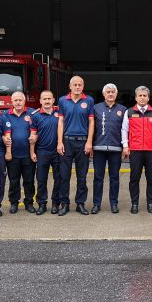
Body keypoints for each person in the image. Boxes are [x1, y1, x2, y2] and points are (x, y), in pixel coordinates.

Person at [57, 75, 95, 216]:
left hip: (83, 142)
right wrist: (59, 142)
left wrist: (89, 141)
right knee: (64, 175)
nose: (77, 87)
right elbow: (60, 122)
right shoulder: (62, 100)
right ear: (70, 86)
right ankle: (64, 204)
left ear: (83, 86)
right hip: (67, 141)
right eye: (75, 84)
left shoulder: (89, 100)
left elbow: (91, 122)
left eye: (80, 85)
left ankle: (80, 203)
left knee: (82, 176)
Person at [122, 85, 152, 214]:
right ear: (136, 97)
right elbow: (124, 130)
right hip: (135, 150)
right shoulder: (129, 112)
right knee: (134, 178)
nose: (142, 98)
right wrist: (125, 146)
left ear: (148, 98)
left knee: (151, 178)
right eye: (140, 95)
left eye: (145, 95)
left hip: (151, 150)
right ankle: (134, 203)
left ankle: (150, 203)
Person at [88, 83, 126, 214]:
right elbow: (91, 127)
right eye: (108, 92)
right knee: (98, 177)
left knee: (114, 177)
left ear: (116, 94)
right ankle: (96, 204)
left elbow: (126, 130)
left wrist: (125, 147)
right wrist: (90, 144)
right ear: (104, 94)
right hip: (98, 148)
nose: (110, 94)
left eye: (113, 92)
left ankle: (114, 203)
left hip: (116, 149)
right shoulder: (95, 108)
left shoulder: (123, 109)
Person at [2, 91, 37, 214]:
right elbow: (1, 132)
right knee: (13, 180)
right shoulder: (5, 115)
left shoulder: (32, 113)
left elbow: (38, 129)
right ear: (11, 102)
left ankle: (29, 203)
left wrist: (36, 137)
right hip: (13, 155)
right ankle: (14, 203)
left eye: (20, 100)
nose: (18, 102)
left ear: (24, 101)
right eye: (15, 100)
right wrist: (4, 138)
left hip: (28, 154)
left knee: (29, 180)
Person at [30, 90, 63, 215]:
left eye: (49, 98)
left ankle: (55, 203)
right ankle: (42, 204)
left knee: (58, 178)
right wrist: (32, 152)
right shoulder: (36, 116)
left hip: (58, 151)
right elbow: (32, 136)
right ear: (40, 101)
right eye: (44, 99)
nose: (47, 101)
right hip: (42, 152)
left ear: (53, 100)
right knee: (41, 179)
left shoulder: (60, 113)